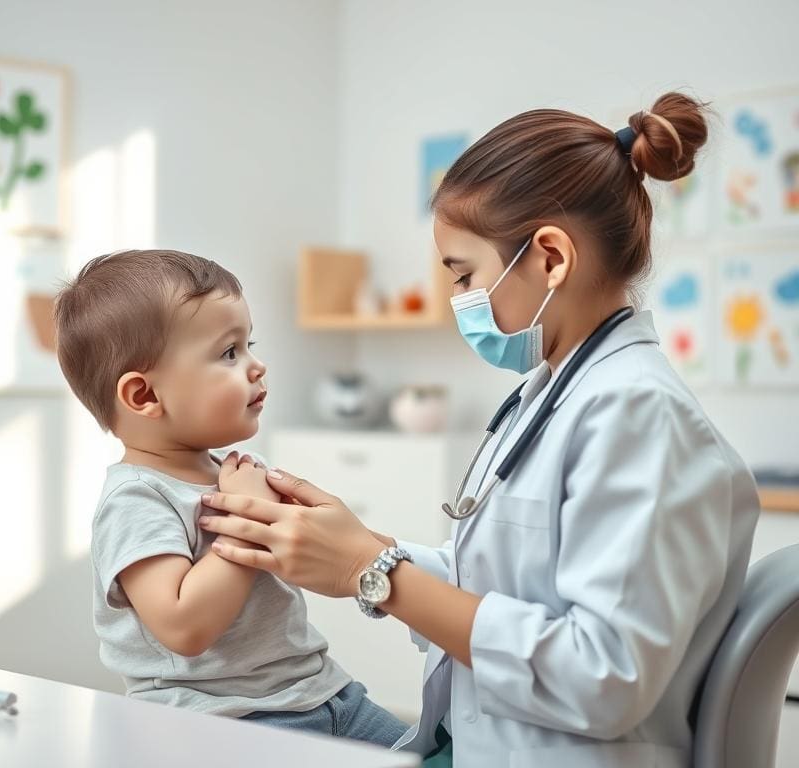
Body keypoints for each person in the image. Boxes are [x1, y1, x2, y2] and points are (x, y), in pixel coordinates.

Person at [198, 93, 761, 767]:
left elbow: (604, 677)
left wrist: (369, 572)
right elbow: (502, 591)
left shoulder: (637, 415)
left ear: (550, 258)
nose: (458, 299)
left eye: (466, 274)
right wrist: (352, 541)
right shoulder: (553, 394)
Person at [53, 249, 407, 746]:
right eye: (228, 353)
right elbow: (182, 627)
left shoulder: (232, 474)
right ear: (144, 397)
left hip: (327, 695)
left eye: (249, 344)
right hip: (223, 722)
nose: (257, 366)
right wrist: (246, 521)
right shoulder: (136, 500)